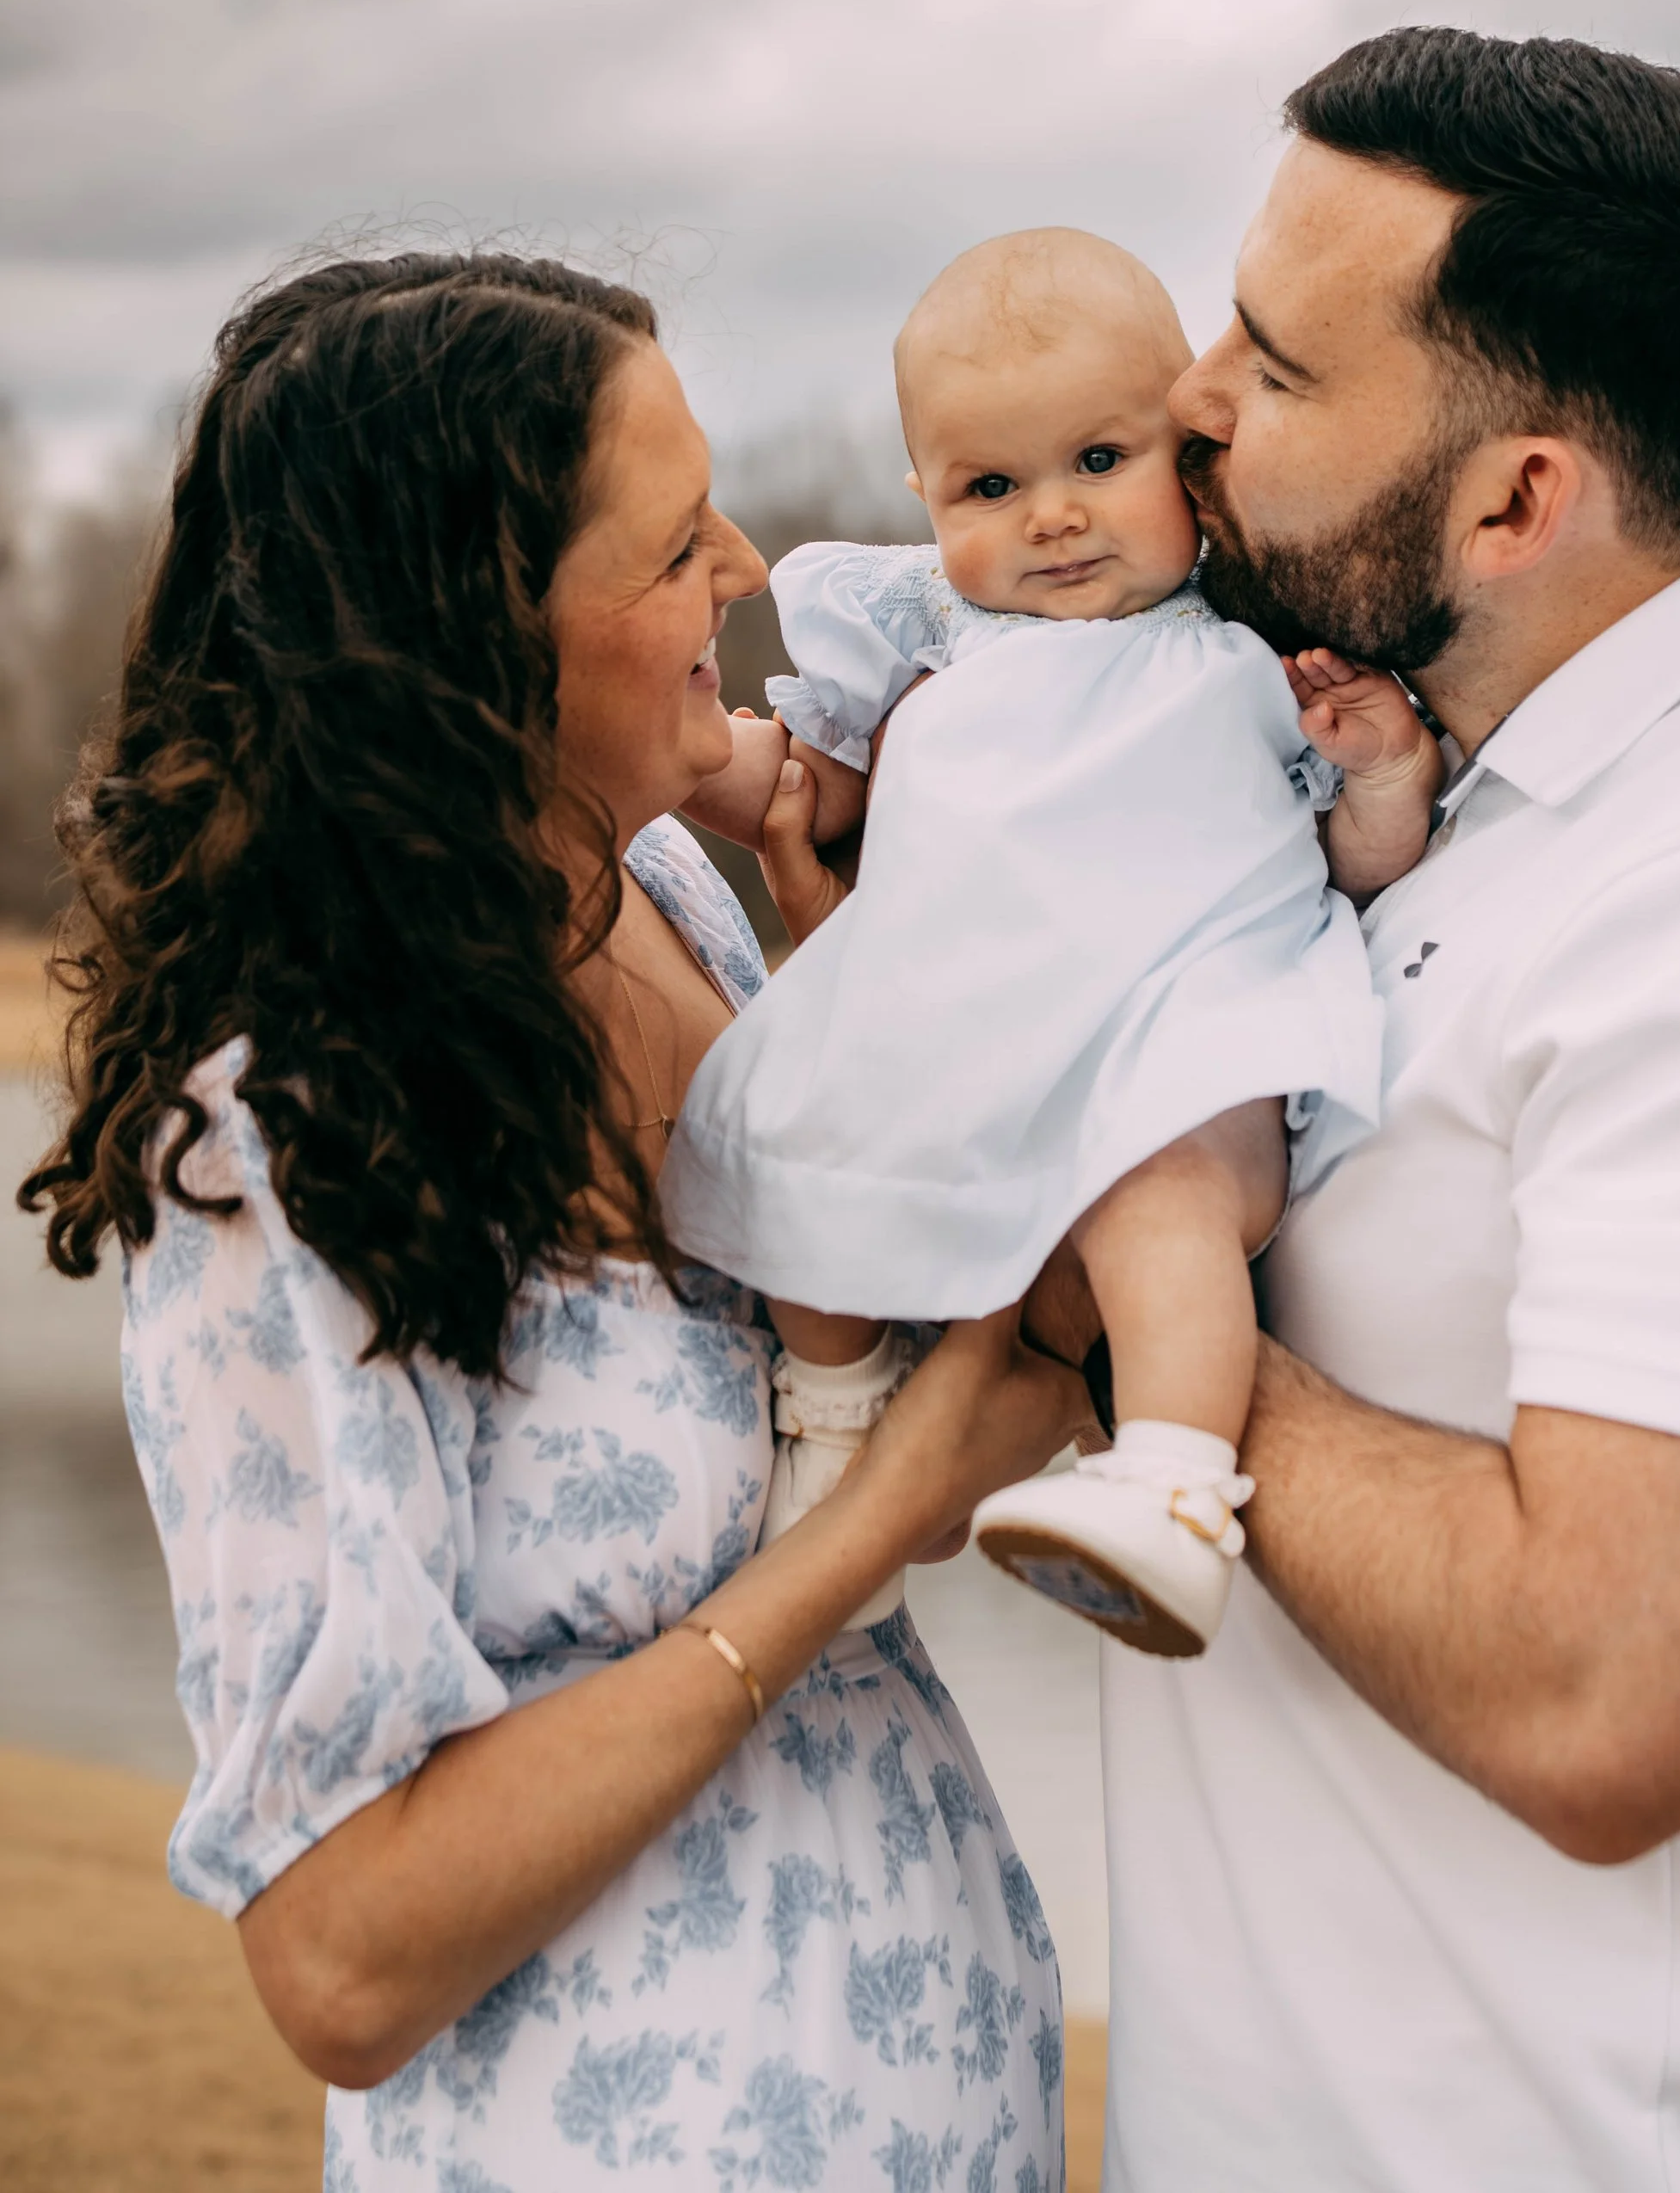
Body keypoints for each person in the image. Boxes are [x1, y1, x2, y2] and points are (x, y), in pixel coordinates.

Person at [19, 252, 1088, 2193]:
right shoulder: (287, 1149)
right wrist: (863, 1525)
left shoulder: (676, 900)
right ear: (476, 637)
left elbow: (925, 1392)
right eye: (676, 542)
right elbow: (340, 1958)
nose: (749, 570)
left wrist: (870, 983)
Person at [1097, 29, 1680, 2191]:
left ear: (1519, 499)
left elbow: (1599, 1699)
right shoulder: (1403, 793)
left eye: (1275, 362)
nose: (1188, 404)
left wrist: (1123, 1346)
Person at [667, 225, 1394, 1661]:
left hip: (1180, 1038)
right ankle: (837, 1408)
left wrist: (1381, 777)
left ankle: (1177, 1487)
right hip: (967, 1032)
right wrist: (690, 763)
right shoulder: (938, 640)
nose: (1053, 516)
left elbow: (1360, 868)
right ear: (926, 499)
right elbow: (806, 786)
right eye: (992, 486)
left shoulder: (1255, 646)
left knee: (1162, 1212)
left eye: (1099, 462)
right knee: (789, 1117)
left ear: (1187, 458)